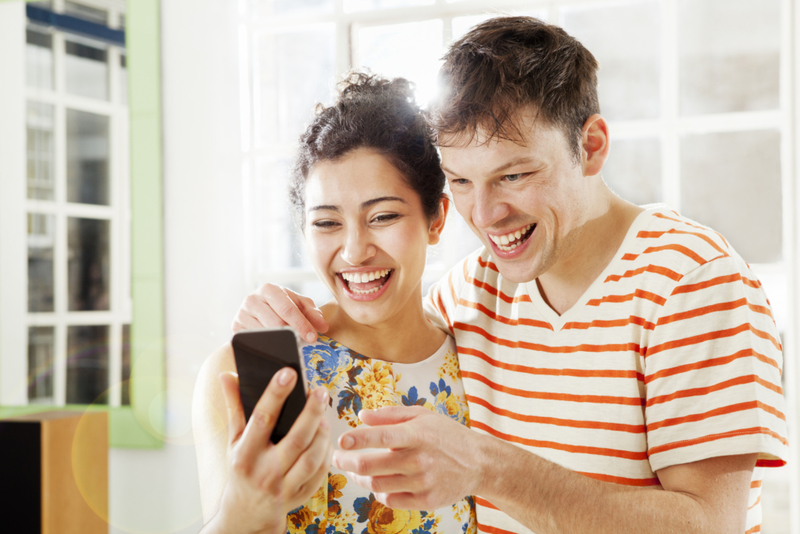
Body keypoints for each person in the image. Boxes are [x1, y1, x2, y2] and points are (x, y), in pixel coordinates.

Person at [231, 16, 789, 534]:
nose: (486, 215)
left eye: (515, 175)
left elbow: (709, 525)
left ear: (590, 147)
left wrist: (488, 470)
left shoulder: (689, 282)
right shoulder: (473, 290)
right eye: (463, 182)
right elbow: (382, 323)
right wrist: (280, 314)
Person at [194, 72, 477, 534]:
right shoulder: (250, 373)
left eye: (383, 216)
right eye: (327, 223)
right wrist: (243, 512)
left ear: (436, 218)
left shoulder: (479, 359)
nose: (353, 251)